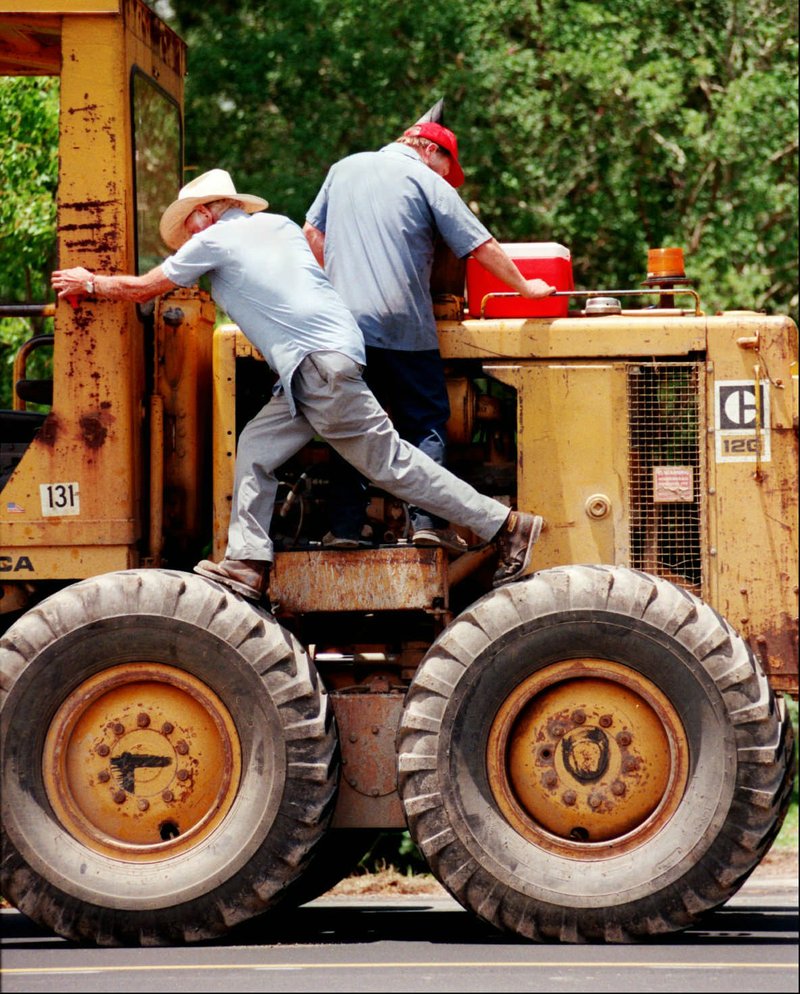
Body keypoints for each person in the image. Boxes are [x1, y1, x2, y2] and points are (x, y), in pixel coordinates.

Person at [51, 168, 543, 601]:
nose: (187, 237)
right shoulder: (279, 226)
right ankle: (246, 564)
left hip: (315, 365)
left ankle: (506, 526)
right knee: (257, 447)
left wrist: (87, 282)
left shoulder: (214, 241)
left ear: (203, 214)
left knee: (390, 464)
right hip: (317, 364)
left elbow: (144, 288)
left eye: (187, 226)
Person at [304, 118, 554, 552]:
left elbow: (312, 235)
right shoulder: (426, 180)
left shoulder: (343, 169)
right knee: (425, 422)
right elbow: (482, 246)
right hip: (402, 328)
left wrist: (337, 288)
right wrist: (526, 288)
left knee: (355, 425)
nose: (444, 177)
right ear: (430, 150)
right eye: (446, 168)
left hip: (342, 329)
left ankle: (344, 529)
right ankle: (429, 523)